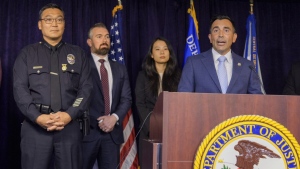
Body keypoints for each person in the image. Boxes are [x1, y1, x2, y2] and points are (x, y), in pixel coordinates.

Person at [13, 3, 93, 169]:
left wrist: (70, 114)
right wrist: (37, 117)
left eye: (59, 20)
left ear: (64, 24)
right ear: (40, 24)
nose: (54, 24)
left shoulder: (78, 54)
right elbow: (20, 91)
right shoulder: (27, 54)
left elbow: (86, 90)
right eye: (48, 20)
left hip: (69, 128)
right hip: (35, 128)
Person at [82, 23, 132, 169]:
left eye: (107, 37)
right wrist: (97, 120)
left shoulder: (120, 69)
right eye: (99, 37)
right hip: (86, 133)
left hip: (111, 135)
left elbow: (126, 98)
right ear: (89, 42)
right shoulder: (81, 66)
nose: (104, 40)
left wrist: (114, 118)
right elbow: (75, 98)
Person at [178, 15, 262, 94]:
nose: (221, 35)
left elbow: (257, 100)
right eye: (216, 30)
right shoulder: (194, 63)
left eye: (226, 30)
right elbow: (183, 97)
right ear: (210, 38)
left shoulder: (247, 66)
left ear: (234, 37)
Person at [135, 37, 181, 167]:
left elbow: (180, 103)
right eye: (158, 49)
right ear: (151, 54)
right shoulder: (142, 76)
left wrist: (171, 126)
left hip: (173, 130)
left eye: (165, 49)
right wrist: (153, 127)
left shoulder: (178, 75)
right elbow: (140, 104)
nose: (162, 52)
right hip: (148, 132)